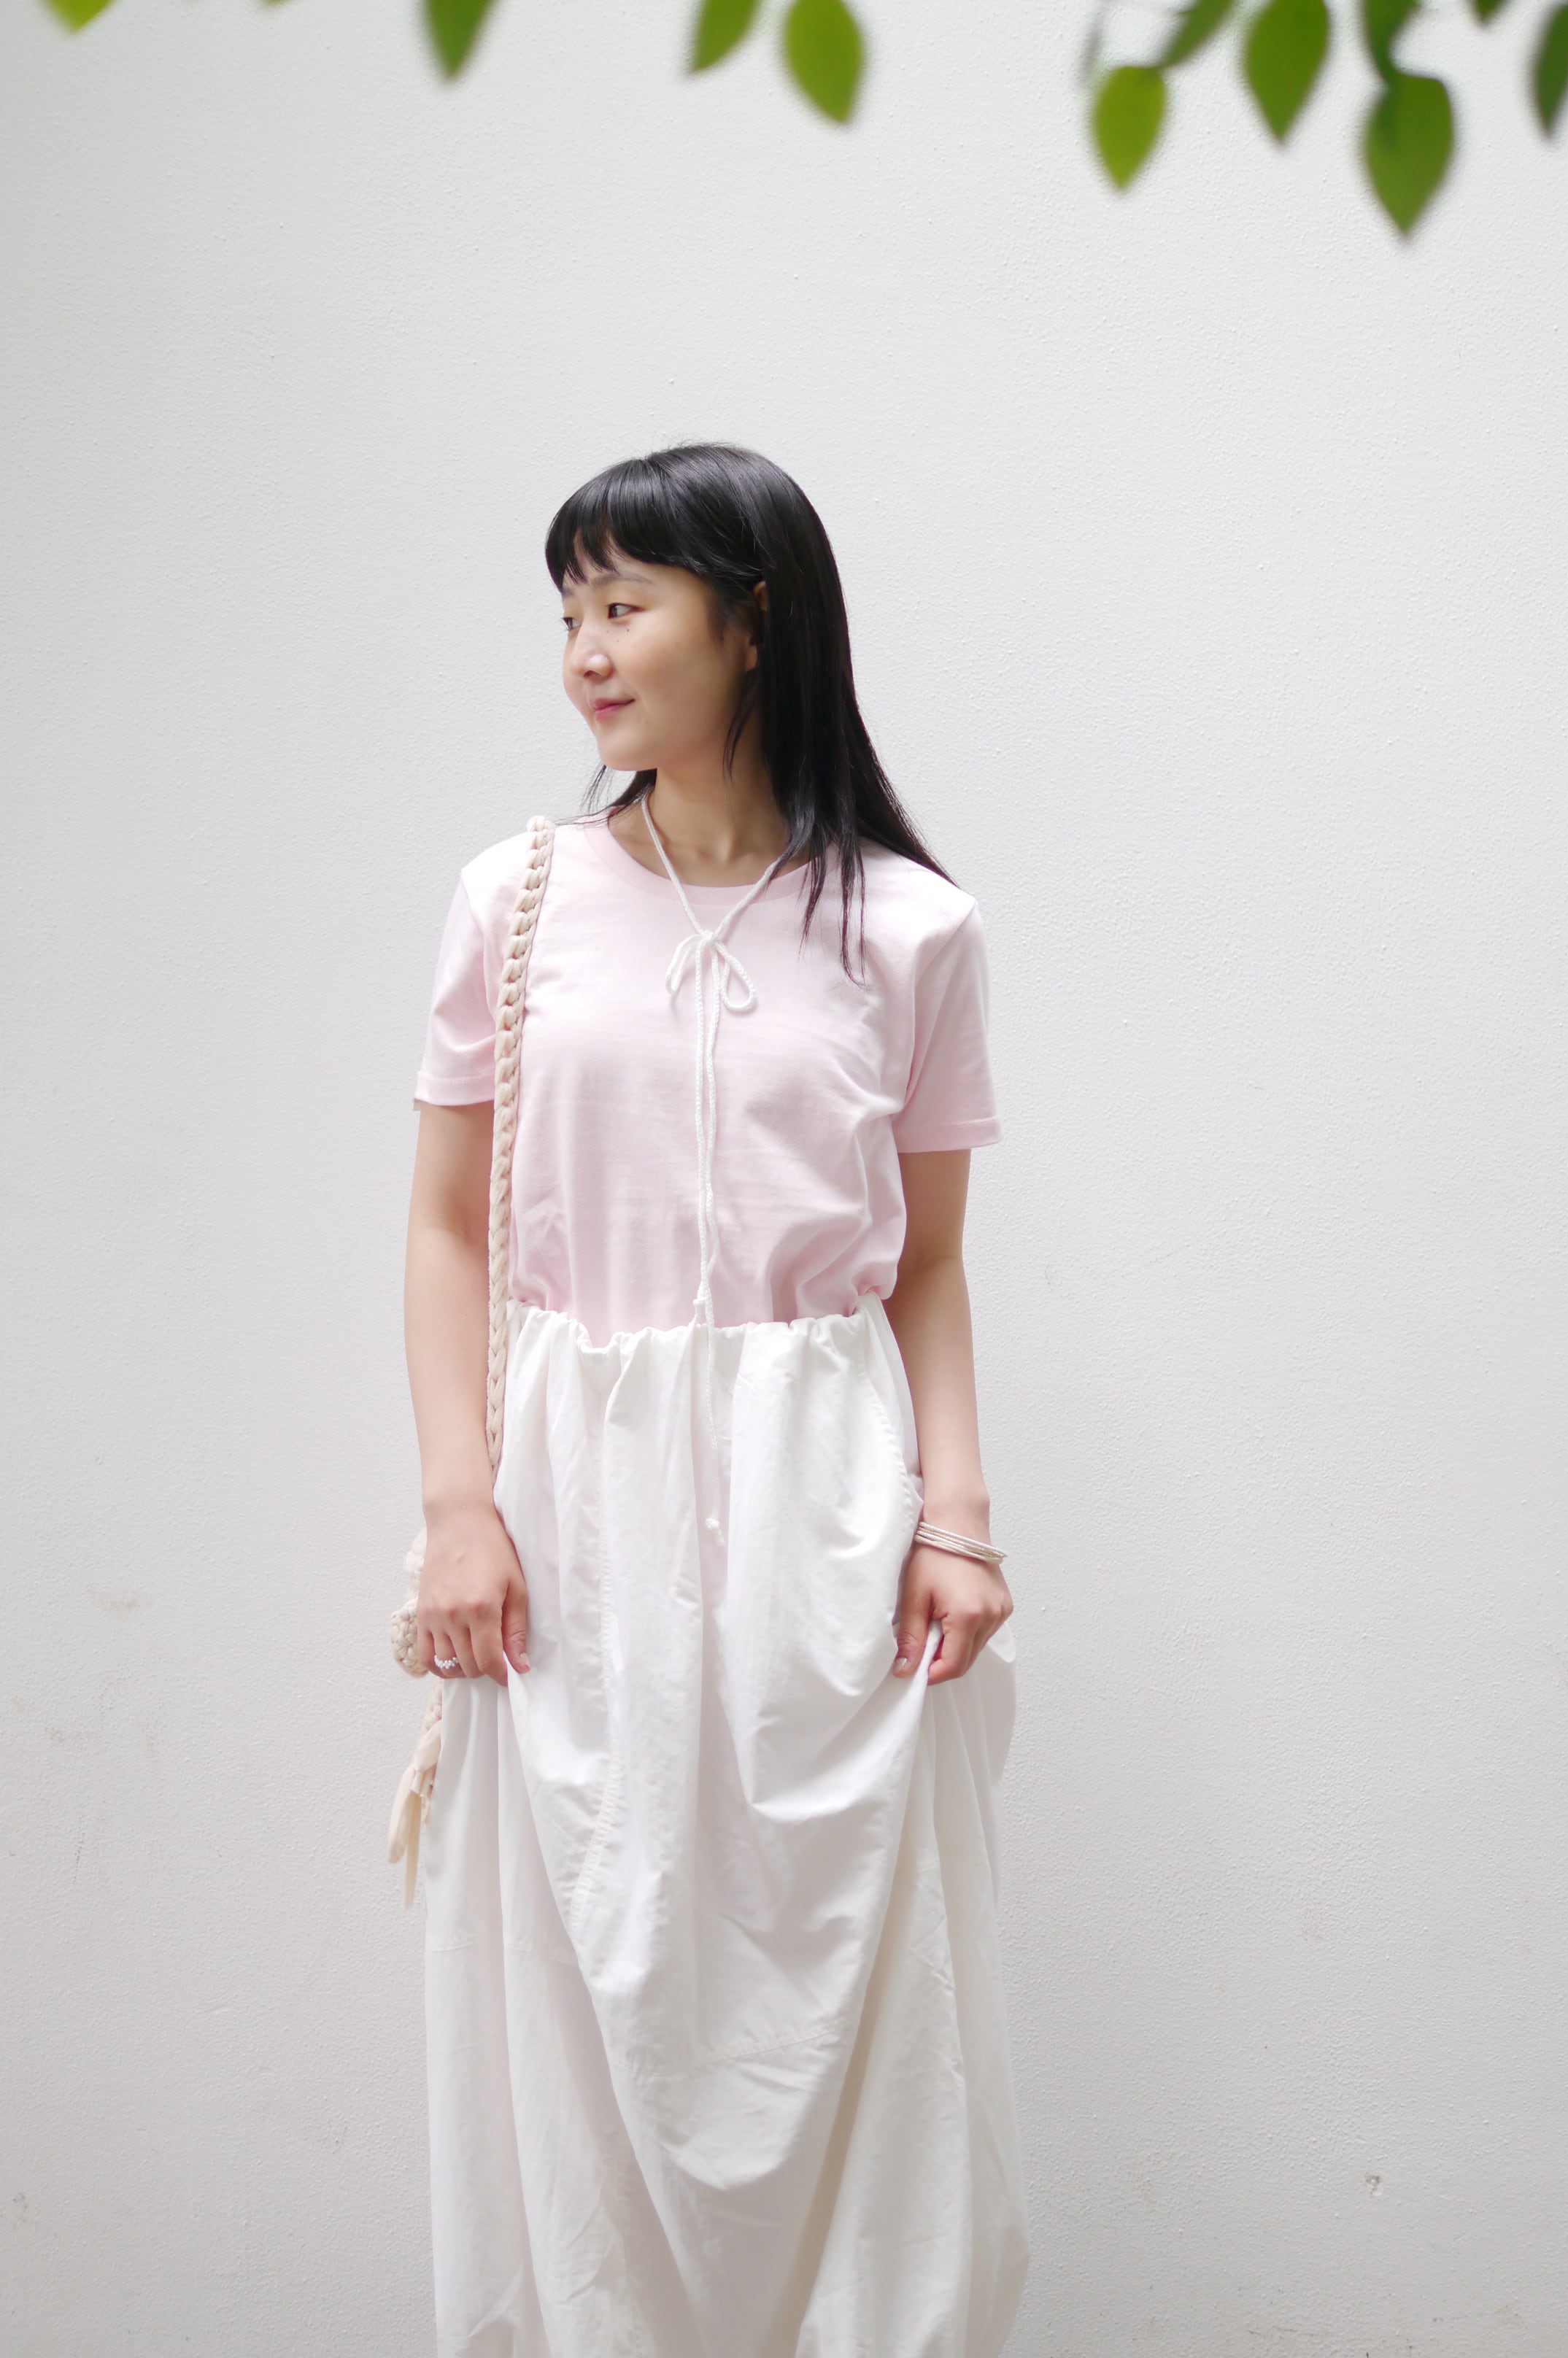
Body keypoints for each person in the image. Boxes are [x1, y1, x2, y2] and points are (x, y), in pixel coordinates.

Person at [403, 441, 1030, 2357]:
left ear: (751, 627)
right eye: (568, 612)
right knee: (578, 1968)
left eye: (625, 604)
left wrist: (957, 1523)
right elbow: (446, 1225)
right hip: (568, 1503)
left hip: (824, 1489)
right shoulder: (512, 901)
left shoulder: (910, 930)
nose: (585, 652)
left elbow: (927, 1263)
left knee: (852, 1978)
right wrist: (457, 1507)